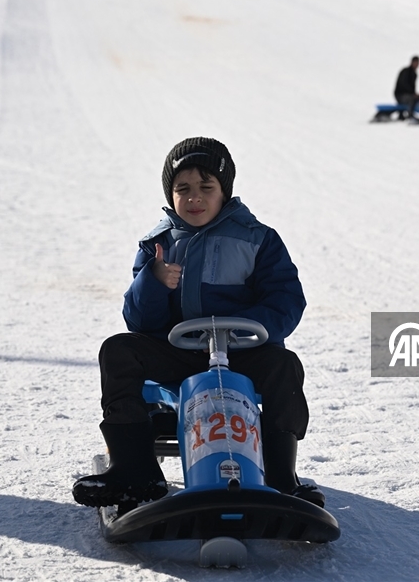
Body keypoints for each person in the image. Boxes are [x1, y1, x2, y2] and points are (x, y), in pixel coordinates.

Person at [72, 137, 323, 512]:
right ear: (170, 194)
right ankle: (135, 469)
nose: (194, 198)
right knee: (119, 350)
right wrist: (153, 281)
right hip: (180, 352)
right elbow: (139, 320)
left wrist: (249, 329)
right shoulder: (157, 245)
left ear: (225, 192)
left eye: (206, 187)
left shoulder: (258, 240)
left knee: (284, 368)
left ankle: (282, 479)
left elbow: (286, 300)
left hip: (244, 352)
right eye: (183, 189)